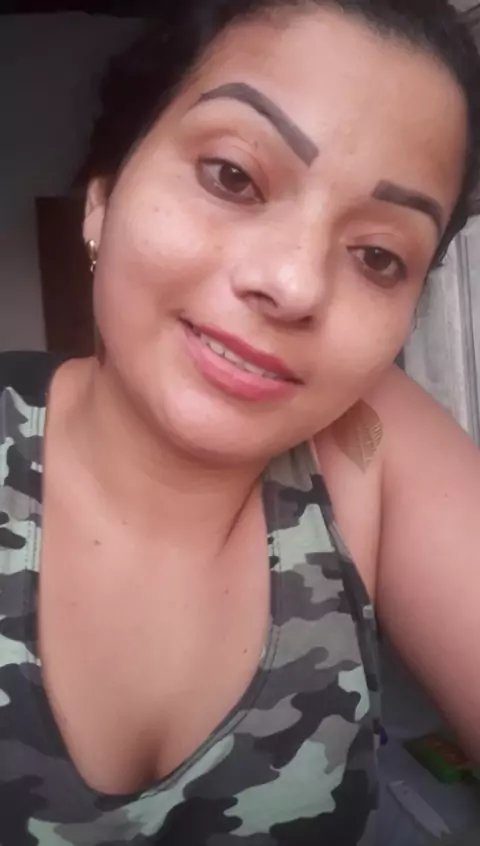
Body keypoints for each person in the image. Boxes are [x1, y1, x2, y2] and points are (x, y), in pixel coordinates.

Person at [1, 0, 480, 843]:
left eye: (378, 256)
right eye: (232, 176)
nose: (293, 284)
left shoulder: (368, 442)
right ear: (102, 198)